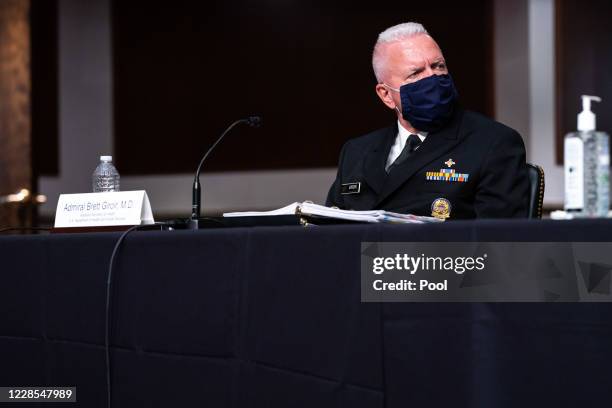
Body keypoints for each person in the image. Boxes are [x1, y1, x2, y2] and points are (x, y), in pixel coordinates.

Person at [326, 22, 529, 219]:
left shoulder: (494, 143)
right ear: (386, 95)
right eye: (415, 74)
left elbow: (501, 243)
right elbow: (330, 234)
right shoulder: (356, 152)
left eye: (438, 66)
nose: (432, 78)